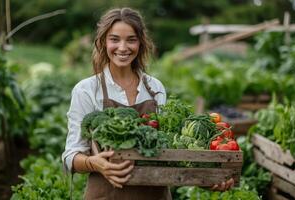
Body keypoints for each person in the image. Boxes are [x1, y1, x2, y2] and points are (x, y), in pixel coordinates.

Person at [62, 7, 234, 200]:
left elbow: (169, 151)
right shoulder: (86, 90)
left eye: (131, 39)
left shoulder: (155, 87)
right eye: (114, 39)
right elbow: (71, 157)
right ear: (103, 42)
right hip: (105, 194)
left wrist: (207, 179)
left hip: (155, 195)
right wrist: (96, 163)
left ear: (141, 42)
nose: (123, 47)